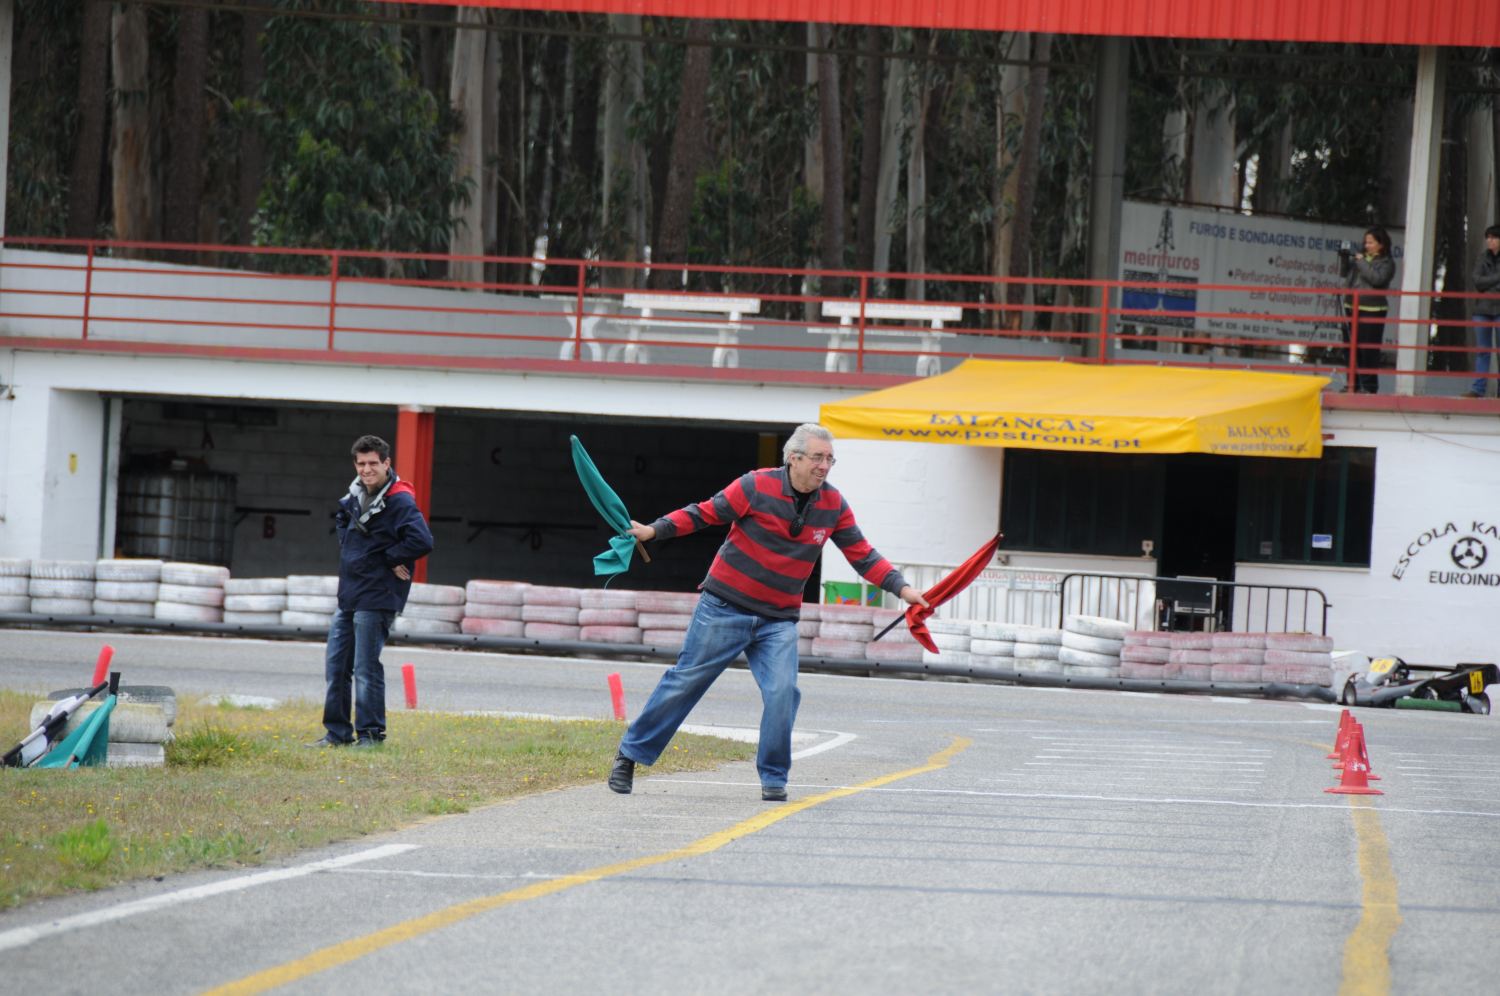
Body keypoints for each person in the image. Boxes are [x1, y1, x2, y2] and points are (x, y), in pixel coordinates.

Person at [607, 423, 928, 801]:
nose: (825, 466)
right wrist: (653, 531)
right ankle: (629, 755)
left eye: (830, 459)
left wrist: (904, 589)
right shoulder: (755, 486)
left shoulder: (833, 505)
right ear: (794, 459)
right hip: (724, 606)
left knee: (783, 693)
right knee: (685, 682)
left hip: (778, 619)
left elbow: (863, 555)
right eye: (818, 458)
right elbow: (702, 514)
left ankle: (774, 777)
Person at [307, 435, 433, 748]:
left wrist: (391, 558)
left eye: (373, 463)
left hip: (377, 595)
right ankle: (337, 734)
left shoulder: (399, 500)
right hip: (349, 593)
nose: (366, 469)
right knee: (336, 667)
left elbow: (422, 540)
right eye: (361, 463)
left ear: (386, 463)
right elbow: (344, 524)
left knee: (365, 668)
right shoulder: (354, 495)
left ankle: (371, 735)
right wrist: (363, 554)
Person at [1338, 226, 1396, 394]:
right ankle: (1352, 384)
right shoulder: (1361, 259)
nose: (1367, 245)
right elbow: (1344, 274)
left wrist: (1362, 261)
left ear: (1381, 244)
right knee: (1350, 348)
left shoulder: (1387, 263)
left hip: (1372, 309)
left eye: (1371, 242)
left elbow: (1377, 279)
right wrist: (1344, 258)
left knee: (1368, 349)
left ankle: (1369, 387)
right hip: (1351, 306)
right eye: (1366, 242)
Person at [1467, 225, 1500, 398]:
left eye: (1494, 237)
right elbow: (1477, 282)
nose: (1489, 241)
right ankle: (1478, 389)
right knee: (1482, 351)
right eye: (1488, 237)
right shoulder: (1482, 257)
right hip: (1482, 310)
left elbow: (1482, 283)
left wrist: (1488, 284)